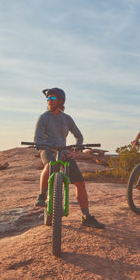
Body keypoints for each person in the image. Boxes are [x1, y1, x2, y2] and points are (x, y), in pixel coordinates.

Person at [33, 87, 105, 229]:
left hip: (64, 151)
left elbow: (79, 136)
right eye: (48, 98)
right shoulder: (43, 117)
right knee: (50, 165)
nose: (49, 101)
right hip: (47, 149)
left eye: (52, 98)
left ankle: (86, 217)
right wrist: (47, 146)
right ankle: (42, 195)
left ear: (60, 101)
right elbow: (38, 138)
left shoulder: (67, 119)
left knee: (80, 182)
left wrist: (76, 151)